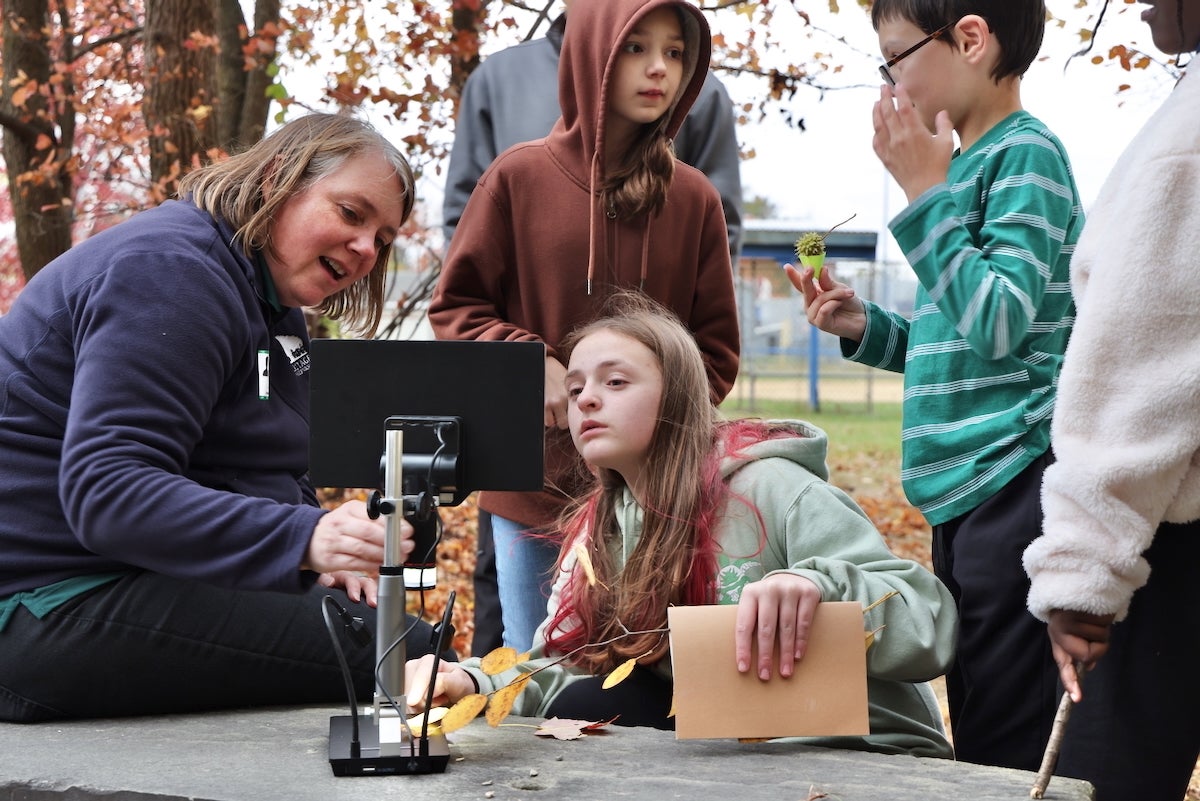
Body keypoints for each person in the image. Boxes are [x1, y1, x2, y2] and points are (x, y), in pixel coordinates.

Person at [0, 113, 448, 723]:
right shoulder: (172, 272)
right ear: (274, 181)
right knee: (408, 653)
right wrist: (305, 541)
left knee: (394, 634)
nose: (368, 247)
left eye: (384, 237)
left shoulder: (269, 303)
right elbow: (108, 491)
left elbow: (251, 464)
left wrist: (322, 553)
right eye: (351, 213)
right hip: (41, 603)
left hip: (123, 579)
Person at [406, 293, 957, 757]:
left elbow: (929, 623)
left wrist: (820, 586)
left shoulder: (772, 488)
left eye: (616, 382)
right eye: (575, 390)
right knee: (588, 705)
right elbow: (572, 664)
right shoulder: (602, 529)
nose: (587, 399)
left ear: (678, 398)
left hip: (855, 747)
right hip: (734, 748)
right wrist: (476, 682)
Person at [786, 0, 1085, 773]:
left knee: (1004, 733)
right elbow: (957, 342)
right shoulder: (970, 168)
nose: (888, 83)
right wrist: (863, 327)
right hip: (965, 495)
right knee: (977, 704)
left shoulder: (1027, 158)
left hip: (1015, 481)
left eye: (895, 58)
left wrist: (924, 194)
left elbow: (998, 318)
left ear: (972, 40)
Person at [428, 0, 741, 655]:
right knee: (534, 676)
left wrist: (654, 417)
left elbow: (714, 352)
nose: (659, 69)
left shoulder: (694, 199)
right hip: (532, 489)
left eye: (675, 53)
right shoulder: (517, 177)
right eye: (637, 47)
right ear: (593, 50)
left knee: (645, 678)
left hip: (655, 503)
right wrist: (530, 363)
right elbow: (456, 310)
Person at [1022, 2, 1200, 797]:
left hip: (1177, 542)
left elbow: (1142, 364)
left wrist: (1083, 578)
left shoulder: (1186, 141)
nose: (1138, 5)